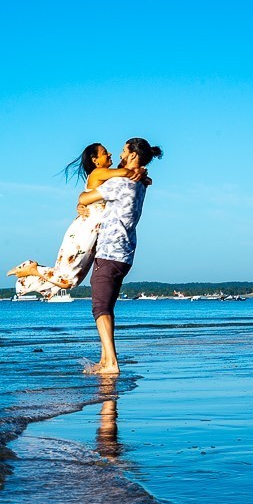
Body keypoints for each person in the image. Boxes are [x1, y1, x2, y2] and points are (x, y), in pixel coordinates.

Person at [6, 143, 148, 300]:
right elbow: (125, 173)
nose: (110, 154)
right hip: (86, 229)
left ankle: (32, 271)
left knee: (73, 279)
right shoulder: (99, 172)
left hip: (95, 233)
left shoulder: (108, 177)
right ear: (95, 160)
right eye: (104, 153)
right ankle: (33, 269)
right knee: (69, 279)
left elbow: (117, 185)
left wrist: (142, 175)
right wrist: (139, 171)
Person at [77, 138, 163, 374]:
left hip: (109, 251)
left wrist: (80, 204)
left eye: (125, 151)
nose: (121, 154)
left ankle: (111, 363)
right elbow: (141, 176)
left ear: (134, 155)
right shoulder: (140, 183)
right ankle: (105, 360)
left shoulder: (122, 184)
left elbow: (85, 198)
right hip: (124, 253)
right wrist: (139, 172)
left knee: (100, 308)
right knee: (107, 307)